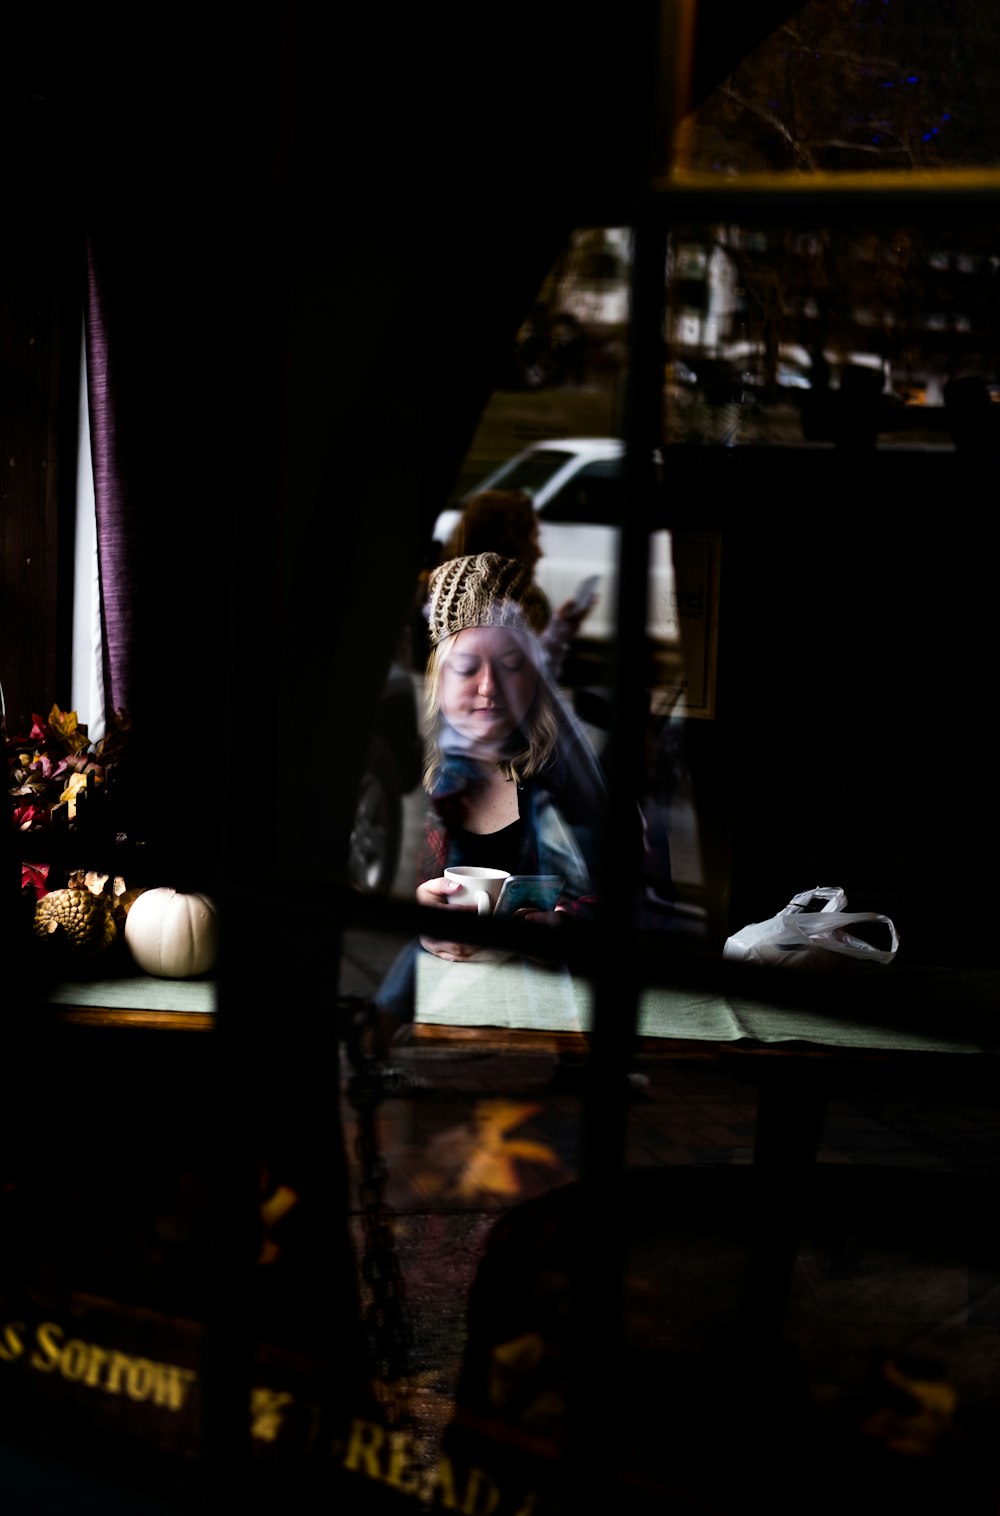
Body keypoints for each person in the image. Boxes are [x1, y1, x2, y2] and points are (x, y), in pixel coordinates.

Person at [374, 551, 608, 1043]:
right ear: (439, 677)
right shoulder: (430, 774)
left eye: (510, 664)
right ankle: (376, 1043)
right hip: (460, 988)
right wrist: (424, 914)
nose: (488, 688)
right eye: (466, 668)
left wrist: (563, 925)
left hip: (555, 1002)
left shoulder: (566, 774)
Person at [441, 490, 595, 682]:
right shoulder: (492, 618)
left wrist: (561, 628)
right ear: (509, 546)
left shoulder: (479, 605)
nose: (539, 552)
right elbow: (532, 685)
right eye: (533, 538)